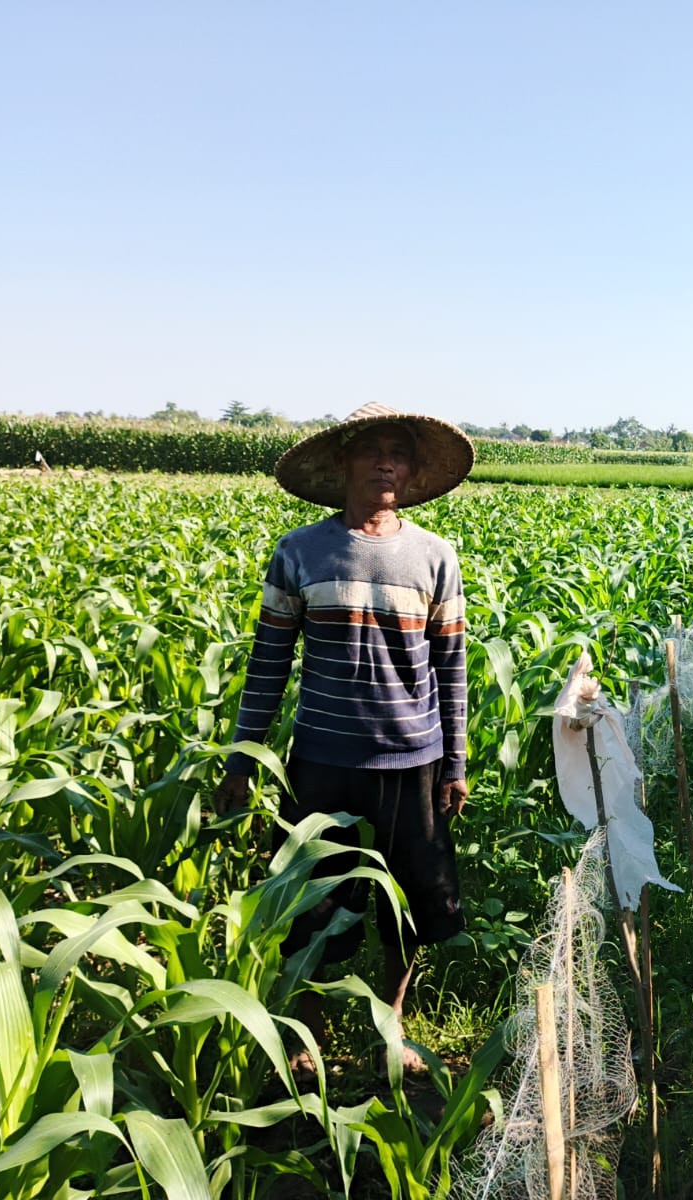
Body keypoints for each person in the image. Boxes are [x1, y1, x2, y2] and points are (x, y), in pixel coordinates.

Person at [214, 401, 476, 1078]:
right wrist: (244, 757)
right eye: (372, 450)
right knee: (311, 900)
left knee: (408, 903)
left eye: (399, 452)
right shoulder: (300, 552)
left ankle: (392, 1020)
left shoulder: (435, 558)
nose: (386, 461)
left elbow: (452, 667)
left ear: (413, 472)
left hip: (410, 760)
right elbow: (268, 661)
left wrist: (456, 761)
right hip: (321, 759)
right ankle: (307, 1032)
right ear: (344, 463)